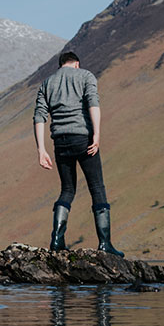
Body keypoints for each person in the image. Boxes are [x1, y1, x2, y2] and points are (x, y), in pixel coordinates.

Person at [33, 49, 123, 255]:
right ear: (76, 64)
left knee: (67, 190)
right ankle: (105, 244)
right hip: (83, 139)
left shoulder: (47, 83)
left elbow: (39, 116)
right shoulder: (85, 76)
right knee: (97, 188)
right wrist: (97, 135)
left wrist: (41, 150)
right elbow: (93, 103)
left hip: (60, 142)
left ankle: (56, 239)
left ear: (61, 65)